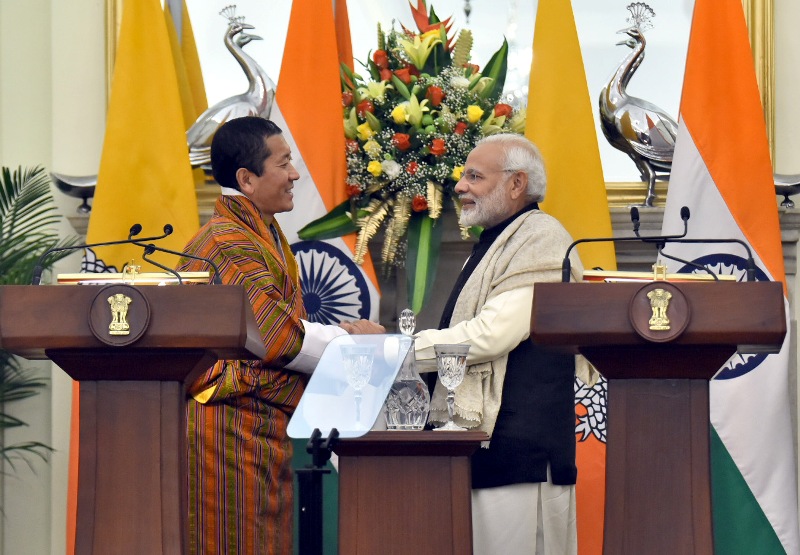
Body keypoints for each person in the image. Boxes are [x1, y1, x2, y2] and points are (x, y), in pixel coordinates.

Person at [176, 116, 384, 555]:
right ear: (247, 179)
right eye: (284, 162)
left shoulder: (257, 229)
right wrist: (354, 343)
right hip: (227, 429)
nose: (295, 174)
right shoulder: (227, 239)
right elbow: (274, 336)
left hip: (257, 427)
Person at [414, 133, 583, 554]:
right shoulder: (500, 238)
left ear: (516, 184)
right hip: (488, 446)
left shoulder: (540, 237)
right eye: (462, 176)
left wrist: (398, 352)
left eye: (474, 176)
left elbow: (491, 337)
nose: (459, 186)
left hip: (519, 449)